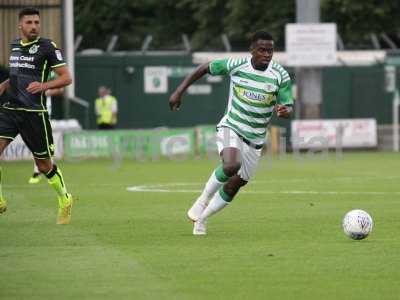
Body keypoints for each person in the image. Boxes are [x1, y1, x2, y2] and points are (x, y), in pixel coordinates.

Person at [169, 30, 293, 235]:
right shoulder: (237, 65)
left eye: (270, 50)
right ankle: (202, 199)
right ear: (252, 50)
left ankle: (202, 219)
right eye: (262, 50)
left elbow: (288, 106)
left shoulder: (280, 75)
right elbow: (204, 68)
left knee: (236, 184)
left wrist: (285, 110)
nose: (267, 54)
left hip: (255, 140)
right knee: (231, 164)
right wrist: (179, 91)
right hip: (231, 127)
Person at [0, 7, 74, 224]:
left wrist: (44, 85)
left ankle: (65, 198)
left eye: (36, 22)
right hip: (10, 110)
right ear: (20, 25)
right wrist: (4, 85)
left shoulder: (47, 47)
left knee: (43, 166)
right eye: (29, 22)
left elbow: (66, 78)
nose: (34, 26)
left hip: (34, 113)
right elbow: (16, 76)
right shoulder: (14, 46)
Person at [28, 70, 64, 184]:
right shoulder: (31, 70)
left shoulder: (50, 73)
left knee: (43, 142)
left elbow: (60, 89)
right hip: (31, 110)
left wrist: (46, 91)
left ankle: (41, 171)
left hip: (44, 111)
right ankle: (46, 169)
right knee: (37, 141)